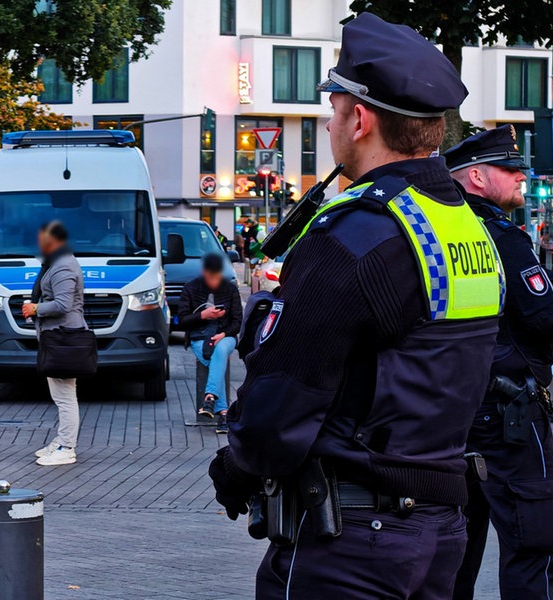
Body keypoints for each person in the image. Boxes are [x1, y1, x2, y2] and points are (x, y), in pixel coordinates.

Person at [208, 13, 503, 598]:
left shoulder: (356, 236)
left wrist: (236, 470)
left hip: (351, 543)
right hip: (441, 529)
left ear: (361, 119)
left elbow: (286, 399)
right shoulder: (465, 227)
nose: (327, 122)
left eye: (334, 108)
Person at [446, 126, 553, 599]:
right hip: (509, 417)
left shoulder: (439, 235)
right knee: (533, 542)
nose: (521, 177)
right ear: (476, 176)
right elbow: (544, 319)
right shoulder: (503, 238)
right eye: (509, 169)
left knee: (452, 550)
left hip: (449, 414)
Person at [22, 221, 85, 467]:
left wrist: (36, 307)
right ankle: (61, 440)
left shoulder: (63, 267)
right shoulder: (56, 263)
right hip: (58, 336)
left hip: (64, 337)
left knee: (65, 396)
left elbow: (62, 304)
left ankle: (67, 447)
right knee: (62, 394)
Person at [177, 253, 241, 430]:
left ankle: (210, 397)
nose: (214, 281)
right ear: (204, 273)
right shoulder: (191, 288)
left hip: (226, 336)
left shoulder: (230, 289)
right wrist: (203, 315)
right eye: (210, 277)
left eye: (217, 277)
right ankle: (224, 414)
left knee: (219, 351)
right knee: (216, 361)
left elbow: (237, 322)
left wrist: (223, 334)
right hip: (199, 337)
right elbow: (182, 320)